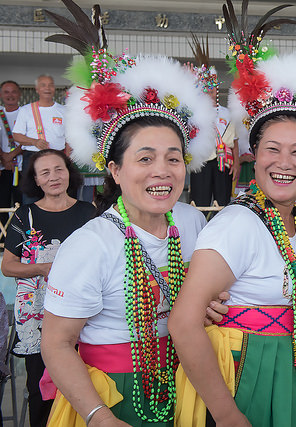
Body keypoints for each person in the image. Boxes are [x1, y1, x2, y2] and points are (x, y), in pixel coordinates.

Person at [36, 21, 217, 424]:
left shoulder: (193, 223)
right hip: (114, 392)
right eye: (145, 158)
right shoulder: (91, 244)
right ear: (115, 171)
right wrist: (99, 415)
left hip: (189, 381)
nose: (163, 171)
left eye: (174, 158)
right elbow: (57, 343)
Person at [168, 2, 296, 424]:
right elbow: (183, 323)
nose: (285, 163)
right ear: (253, 155)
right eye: (272, 150)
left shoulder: (295, 221)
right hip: (247, 377)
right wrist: (226, 414)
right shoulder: (237, 223)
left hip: (288, 370)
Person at [1, 149, 94, 427]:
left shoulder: (88, 213)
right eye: (45, 172)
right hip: (39, 317)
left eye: (59, 169)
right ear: (37, 181)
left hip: (84, 316)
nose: (54, 177)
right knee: (41, 392)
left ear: (69, 173)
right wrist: (43, 268)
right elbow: (8, 266)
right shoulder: (24, 216)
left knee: (87, 386)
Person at [188, 42, 240, 207]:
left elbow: (235, 141)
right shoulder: (193, 113)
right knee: (199, 201)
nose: (209, 94)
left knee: (223, 201)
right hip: (201, 161)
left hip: (222, 161)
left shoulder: (226, 113)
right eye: (205, 91)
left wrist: (237, 163)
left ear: (216, 91)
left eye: (211, 91)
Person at [12, 75, 66, 205]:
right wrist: (34, 142)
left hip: (57, 157)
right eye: (43, 85)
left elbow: (69, 138)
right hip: (32, 157)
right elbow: (16, 135)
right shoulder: (26, 110)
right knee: (31, 195)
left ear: (54, 88)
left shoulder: (63, 110)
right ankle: (31, 225)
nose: (47, 88)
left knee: (57, 194)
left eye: (50, 85)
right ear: (37, 89)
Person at [0, 80, 23, 225]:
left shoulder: (25, 113)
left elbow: (31, 138)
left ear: (19, 94)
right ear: (1, 94)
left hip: (22, 168)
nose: (10, 95)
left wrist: (11, 156)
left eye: (13, 91)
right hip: (3, 169)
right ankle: (5, 237)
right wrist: (3, 158)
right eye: (6, 92)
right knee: (2, 203)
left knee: (21, 204)